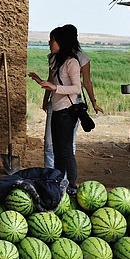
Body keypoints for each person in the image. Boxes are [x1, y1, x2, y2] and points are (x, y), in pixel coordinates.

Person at [40, 24, 103, 168]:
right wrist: (46, 99)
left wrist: (93, 102)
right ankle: (52, 175)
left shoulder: (81, 58)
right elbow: (51, 79)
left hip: (71, 104)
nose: (50, 43)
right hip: (56, 102)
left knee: (66, 144)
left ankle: (66, 179)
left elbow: (85, 83)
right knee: (51, 143)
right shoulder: (54, 58)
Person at [29, 26, 81, 195]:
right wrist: (41, 81)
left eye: (52, 40)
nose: (50, 43)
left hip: (67, 112)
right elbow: (56, 85)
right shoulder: (59, 61)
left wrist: (55, 87)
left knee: (66, 151)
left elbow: (76, 88)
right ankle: (58, 182)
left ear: (61, 42)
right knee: (57, 151)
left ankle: (72, 186)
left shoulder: (72, 62)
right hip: (58, 111)